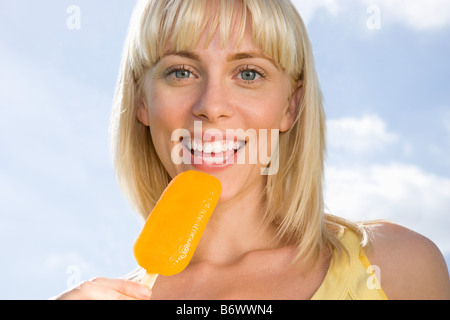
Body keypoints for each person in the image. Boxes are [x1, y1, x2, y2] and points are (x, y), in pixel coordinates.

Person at [55, 0, 450, 300]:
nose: (211, 105)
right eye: (181, 72)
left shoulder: (398, 267)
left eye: (248, 73)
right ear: (142, 101)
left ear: (291, 106)